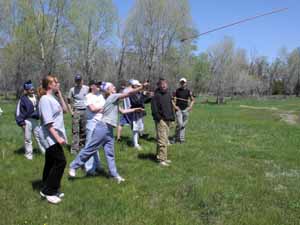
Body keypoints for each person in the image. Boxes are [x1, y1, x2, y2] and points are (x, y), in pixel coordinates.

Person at [69, 81, 148, 183]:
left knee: (110, 153)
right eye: (112, 86)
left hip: (109, 129)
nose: (114, 87)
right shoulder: (113, 96)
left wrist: (136, 109)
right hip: (102, 127)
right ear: (108, 90)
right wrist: (141, 87)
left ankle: (114, 175)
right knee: (90, 148)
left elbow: (123, 111)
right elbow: (128, 94)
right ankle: (73, 166)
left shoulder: (112, 100)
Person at [38, 75, 68, 204]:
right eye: (56, 82)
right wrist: (58, 139)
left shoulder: (52, 98)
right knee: (61, 161)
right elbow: (48, 123)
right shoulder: (44, 99)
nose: (58, 83)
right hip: (49, 136)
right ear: (49, 85)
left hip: (54, 135)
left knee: (50, 162)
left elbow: (65, 110)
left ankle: (46, 186)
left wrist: (59, 94)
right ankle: (48, 192)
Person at [16, 80, 45, 160]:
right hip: (26, 121)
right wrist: (21, 123)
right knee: (28, 139)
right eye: (30, 89)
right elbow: (18, 112)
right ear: (26, 90)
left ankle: (44, 151)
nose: (32, 90)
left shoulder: (36, 97)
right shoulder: (22, 99)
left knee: (39, 136)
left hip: (35, 120)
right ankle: (29, 155)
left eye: (33, 88)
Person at [151, 78, 175, 166]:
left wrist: (172, 118)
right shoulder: (156, 95)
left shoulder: (168, 94)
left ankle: (162, 157)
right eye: (162, 84)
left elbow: (170, 107)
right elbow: (154, 109)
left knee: (164, 139)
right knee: (162, 140)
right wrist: (159, 118)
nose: (164, 85)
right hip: (161, 120)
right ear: (159, 85)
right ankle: (161, 160)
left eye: (165, 83)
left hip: (168, 120)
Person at [83, 80, 105, 176]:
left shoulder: (100, 96)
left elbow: (101, 108)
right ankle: (89, 168)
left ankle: (97, 165)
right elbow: (92, 109)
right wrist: (102, 109)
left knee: (96, 145)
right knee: (89, 145)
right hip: (91, 122)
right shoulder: (88, 96)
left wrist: (100, 109)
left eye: (99, 85)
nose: (98, 86)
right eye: (96, 85)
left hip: (100, 122)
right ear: (92, 86)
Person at [67, 74, 89, 154]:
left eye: (80, 80)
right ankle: (74, 149)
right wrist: (71, 111)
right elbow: (68, 101)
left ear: (82, 80)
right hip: (76, 111)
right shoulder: (72, 90)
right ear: (75, 81)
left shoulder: (87, 88)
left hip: (85, 110)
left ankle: (82, 147)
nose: (79, 82)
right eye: (77, 81)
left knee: (84, 130)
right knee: (75, 130)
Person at [129, 79, 152, 150]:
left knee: (139, 128)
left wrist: (150, 97)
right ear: (134, 86)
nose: (139, 87)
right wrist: (144, 95)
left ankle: (135, 142)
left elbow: (143, 102)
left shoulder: (138, 93)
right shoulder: (132, 93)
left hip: (140, 112)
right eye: (138, 85)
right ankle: (135, 144)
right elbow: (137, 102)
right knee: (135, 128)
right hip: (135, 111)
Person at [173, 77, 195, 143]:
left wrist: (190, 107)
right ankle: (176, 137)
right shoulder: (177, 91)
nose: (182, 83)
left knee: (183, 125)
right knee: (180, 124)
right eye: (181, 82)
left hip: (185, 110)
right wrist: (175, 106)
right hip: (178, 110)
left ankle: (181, 139)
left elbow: (193, 100)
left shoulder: (188, 91)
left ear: (186, 83)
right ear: (180, 83)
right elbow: (172, 99)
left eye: (184, 82)